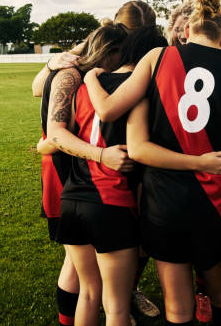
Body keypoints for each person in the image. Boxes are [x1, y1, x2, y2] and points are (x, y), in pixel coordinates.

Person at [84, 0, 221, 325]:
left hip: (163, 203)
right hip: (215, 203)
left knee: (178, 308)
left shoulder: (158, 57)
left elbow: (110, 112)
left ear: (186, 31)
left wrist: (88, 75)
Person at [40, 26, 164, 326]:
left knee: (88, 293)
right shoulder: (139, 90)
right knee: (117, 307)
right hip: (111, 202)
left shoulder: (83, 86)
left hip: (71, 198)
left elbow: (51, 140)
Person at [37, 24, 128, 326]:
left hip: (74, 187)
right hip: (88, 186)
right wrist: (103, 155)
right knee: (102, 295)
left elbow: (40, 95)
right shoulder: (77, 78)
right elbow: (54, 136)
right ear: (111, 53)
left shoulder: (78, 75)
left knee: (84, 281)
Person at [31, 0, 156, 98]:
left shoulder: (154, 52)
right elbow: (37, 89)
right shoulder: (93, 49)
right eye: (130, 37)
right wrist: (50, 65)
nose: (136, 45)